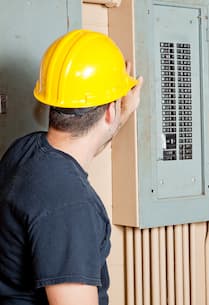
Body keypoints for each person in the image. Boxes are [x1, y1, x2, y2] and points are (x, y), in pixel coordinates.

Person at [0, 29, 143, 305]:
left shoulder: (25, 151)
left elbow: (76, 157)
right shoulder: (71, 206)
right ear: (108, 111)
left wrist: (121, 116)